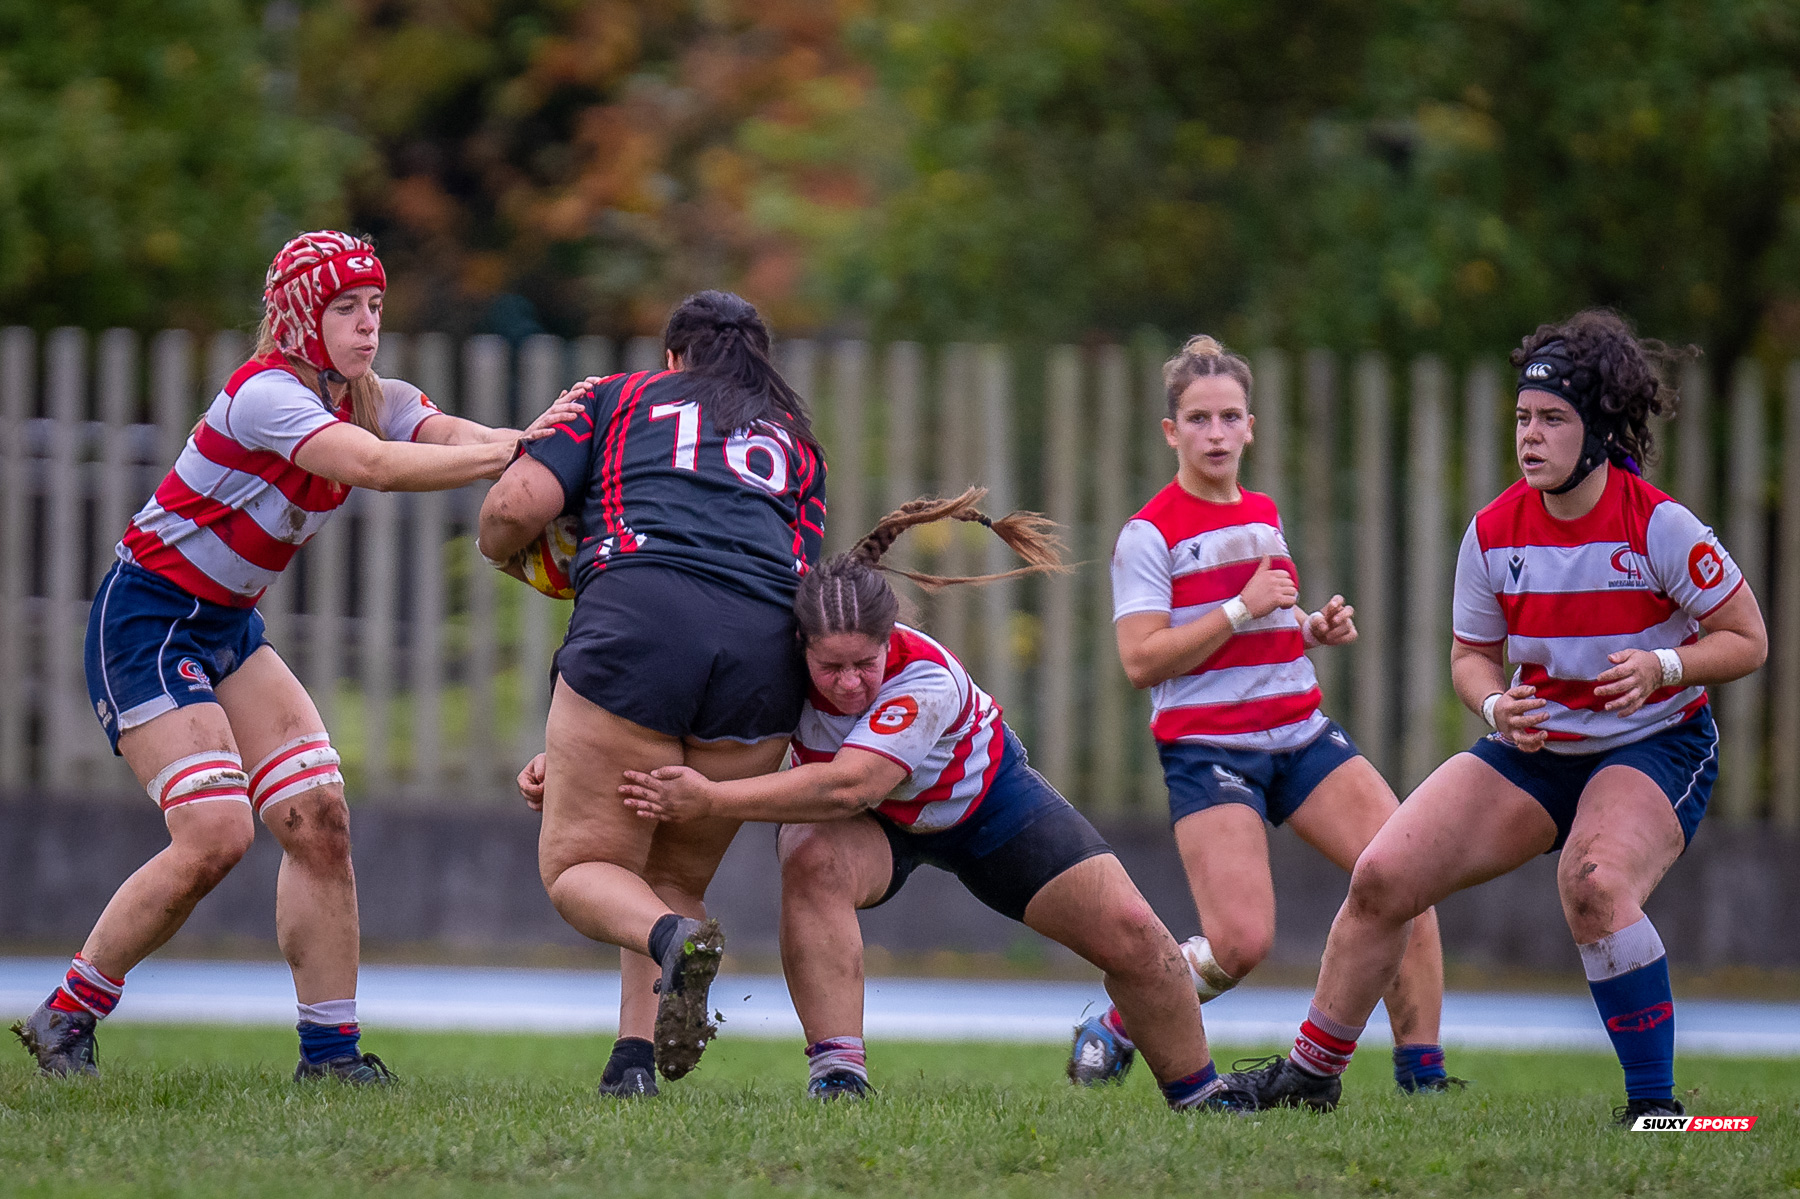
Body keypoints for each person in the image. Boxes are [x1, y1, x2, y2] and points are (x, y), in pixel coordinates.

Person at [12, 230, 583, 1081]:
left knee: (320, 818)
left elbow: (446, 430)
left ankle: (331, 1056)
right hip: (149, 621)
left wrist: (546, 445)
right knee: (215, 833)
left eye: (375, 306)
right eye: (344, 308)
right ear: (295, 319)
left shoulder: (369, 393)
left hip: (226, 624)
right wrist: (511, 453)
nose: (367, 324)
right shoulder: (266, 395)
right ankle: (66, 1013)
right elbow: (378, 466)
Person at [1221, 311, 1767, 1124]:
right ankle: (1311, 1076)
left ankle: (1655, 1107)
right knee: (1382, 875)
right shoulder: (1493, 532)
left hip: (1655, 744)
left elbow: (1748, 638)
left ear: (1599, 432)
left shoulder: (1660, 526)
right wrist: (1493, 703)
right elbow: (1470, 656)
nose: (1530, 436)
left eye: (1552, 419)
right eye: (1522, 417)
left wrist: (1664, 666)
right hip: (1538, 747)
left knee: (1593, 883)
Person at [611, 489, 1255, 1111]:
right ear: (800, 646)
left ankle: (1201, 1096)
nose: (850, 683)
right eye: (831, 668)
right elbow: (685, 701)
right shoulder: (772, 667)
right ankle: (838, 1080)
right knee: (809, 856)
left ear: (889, 639)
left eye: (865, 664)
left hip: (988, 808)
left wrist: (710, 799)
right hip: (873, 828)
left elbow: (851, 784)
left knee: (1138, 938)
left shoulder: (925, 675)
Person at [1065, 335, 1451, 1094]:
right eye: (1198, 419)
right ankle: (1120, 1021)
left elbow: (1266, 619)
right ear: (1170, 431)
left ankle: (1425, 1080)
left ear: (1251, 426)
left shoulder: (1264, 514)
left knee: (1407, 875)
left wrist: (1310, 628)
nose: (1215, 433)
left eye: (1229, 417)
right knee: (1241, 943)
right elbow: (1142, 660)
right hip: (1210, 749)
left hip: (1302, 736)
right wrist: (1242, 608)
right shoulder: (1148, 534)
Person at [482, 291, 828, 1097]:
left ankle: (675, 940)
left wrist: (498, 546)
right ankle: (632, 1061)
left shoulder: (617, 396)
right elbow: (802, 571)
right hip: (764, 656)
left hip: (641, 619)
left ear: (672, 357)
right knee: (673, 874)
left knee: (582, 867)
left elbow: (517, 504)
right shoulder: (797, 441)